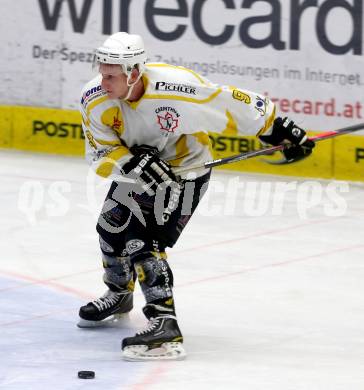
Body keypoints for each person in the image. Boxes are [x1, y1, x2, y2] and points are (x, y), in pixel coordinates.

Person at [78, 32, 315, 361]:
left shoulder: (175, 88)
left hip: (186, 173)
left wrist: (278, 126)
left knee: (140, 240)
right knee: (110, 226)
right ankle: (120, 294)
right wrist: (130, 163)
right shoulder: (94, 99)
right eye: (102, 73)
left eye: (111, 76)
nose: (103, 82)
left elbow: (230, 100)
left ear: (133, 72)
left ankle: (164, 327)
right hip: (138, 173)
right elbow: (99, 154)